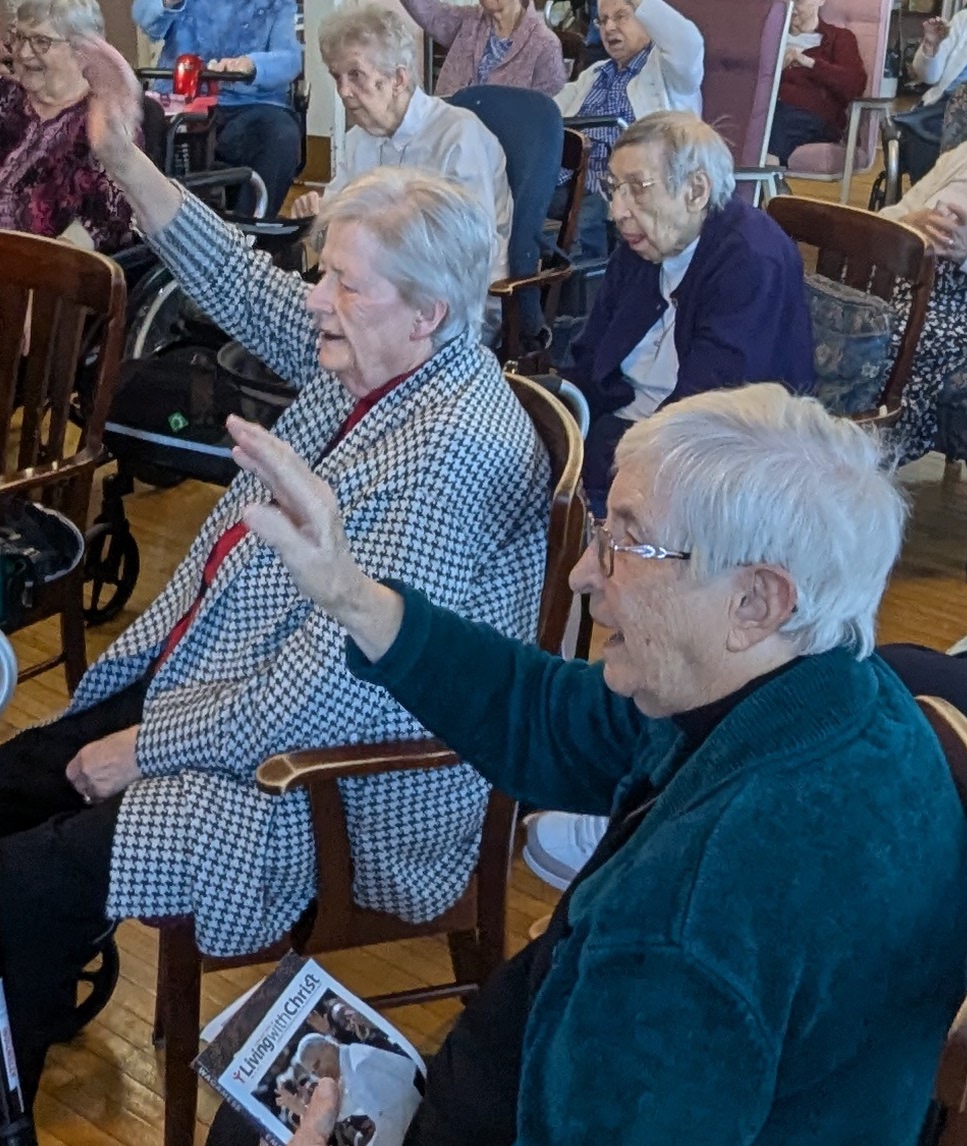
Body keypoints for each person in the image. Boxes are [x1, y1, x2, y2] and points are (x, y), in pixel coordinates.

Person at [1, 36, 551, 1133]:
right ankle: (26, 1002)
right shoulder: (396, 348)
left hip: (330, 788)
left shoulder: (447, 451)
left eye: (341, 283)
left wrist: (140, 746)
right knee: (13, 785)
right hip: (225, 679)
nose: (316, 300)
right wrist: (128, 159)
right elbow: (253, 293)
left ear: (427, 309)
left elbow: (337, 695)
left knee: (23, 877)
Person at [222, 382, 967, 1144]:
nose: (583, 573)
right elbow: (547, 719)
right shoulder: (834, 689)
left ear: (755, 601)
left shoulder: (687, 929)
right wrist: (349, 593)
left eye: (625, 544)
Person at [558, 110, 815, 514]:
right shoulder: (646, 242)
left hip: (707, 460)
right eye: (614, 189)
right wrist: (557, 420)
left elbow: (708, 406)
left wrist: (605, 455)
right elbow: (592, 352)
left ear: (695, 191)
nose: (617, 212)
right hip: (623, 425)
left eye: (637, 189)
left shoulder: (749, 260)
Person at [290, 3, 513, 342]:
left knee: (335, 338)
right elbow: (334, 228)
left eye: (356, 75)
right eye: (337, 77)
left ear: (398, 78)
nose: (344, 91)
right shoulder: (358, 141)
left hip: (452, 307)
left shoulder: (458, 137)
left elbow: (470, 255)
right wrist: (320, 221)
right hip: (378, 297)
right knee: (297, 328)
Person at [551, 0, 703, 259]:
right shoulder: (594, 74)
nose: (609, 27)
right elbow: (548, 115)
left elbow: (688, 42)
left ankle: (577, 299)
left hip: (620, 190)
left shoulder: (667, 73)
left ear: (647, 19)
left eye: (621, 16)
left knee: (580, 226)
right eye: (603, 20)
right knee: (514, 208)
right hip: (565, 182)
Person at [131, 0, 303, 216]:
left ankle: (248, 237)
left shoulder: (277, 4)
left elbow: (290, 59)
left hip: (249, 106)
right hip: (180, 99)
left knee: (282, 135)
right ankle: (152, 224)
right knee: (140, 121)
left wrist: (251, 64)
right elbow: (146, 20)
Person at [0, 0, 132, 250]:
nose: (23, 53)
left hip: (35, 269)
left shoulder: (104, 118)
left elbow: (105, 216)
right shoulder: (6, 96)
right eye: (19, 37)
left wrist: (52, 263)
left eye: (41, 42)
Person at [872, 140, 967, 462]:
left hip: (957, 298)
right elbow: (888, 216)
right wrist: (912, 223)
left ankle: (870, 457)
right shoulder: (962, 155)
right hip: (903, 275)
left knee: (900, 339)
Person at [766, 0, 866, 167]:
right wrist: (775, 69)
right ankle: (773, 187)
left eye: (798, 1)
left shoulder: (839, 38)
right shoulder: (768, 38)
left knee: (774, 127)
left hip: (812, 117)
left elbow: (854, 84)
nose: (791, 8)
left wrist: (808, 63)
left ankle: (769, 183)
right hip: (767, 110)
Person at [399, 0, 566, 97]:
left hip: (503, 146)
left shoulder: (544, 45)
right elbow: (428, 12)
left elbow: (548, 116)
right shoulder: (469, 20)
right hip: (446, 133)